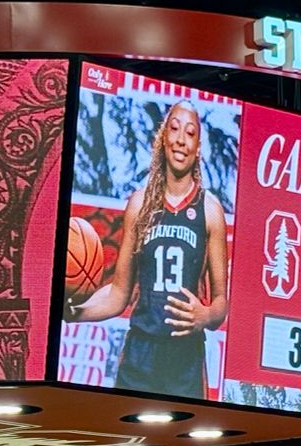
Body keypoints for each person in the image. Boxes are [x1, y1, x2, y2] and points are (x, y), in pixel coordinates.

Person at [69, 100, 228, 398]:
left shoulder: (210, 210)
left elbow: (221, 302)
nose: (181, 139)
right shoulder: (140, 204)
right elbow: (119, 294)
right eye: (175, 129)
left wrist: (205, 317)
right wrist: (73, 313)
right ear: (163, 138)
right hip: (140, 353)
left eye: (190, 133)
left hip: (185, 358)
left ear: (198, 146)